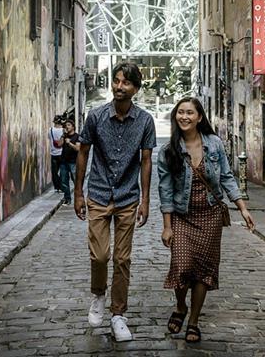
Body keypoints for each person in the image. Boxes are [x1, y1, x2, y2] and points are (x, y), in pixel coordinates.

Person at [157, 97, 255, 343]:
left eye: (190, 112)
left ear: (199, 117)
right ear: (175, 116)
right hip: (182, 216)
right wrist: (167, 226)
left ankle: (194, 320)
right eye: (180, 112)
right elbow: (165, 190)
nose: (184, 117)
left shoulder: (214, 144)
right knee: (181, 267)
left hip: (210, 216)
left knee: (203, 272)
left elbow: (227, 177)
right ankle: (181, 307)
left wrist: (242, 208)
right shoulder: (169, 151)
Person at [74, 62, 156, 342]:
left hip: (127, 197)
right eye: (116, 81)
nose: (119, 87)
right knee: (99, 255)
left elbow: (146, 161)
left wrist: (145, 200)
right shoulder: (96, 117)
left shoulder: (145, 121)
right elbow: (83, 153)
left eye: (126, 83)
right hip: (97, 193)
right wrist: (77, 193)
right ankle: (98, 295)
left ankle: (118, 314)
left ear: (136, 88)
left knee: (122, 259)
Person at [59, 119, 80, 205]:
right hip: (64, 162)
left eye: (68, 125)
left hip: (73, 162)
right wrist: (62, 137)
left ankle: (78, 198)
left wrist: (70, 143)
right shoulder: (64, 136)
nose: (67, 127)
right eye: (66, 126)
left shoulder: (77, 136)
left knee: (75, 181)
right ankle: (67, 198)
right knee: (64, 181)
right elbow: (59, 145)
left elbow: (78, 148)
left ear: (73, 126)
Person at [49, 116, 65, 193]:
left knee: (54, 172)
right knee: (63, 172)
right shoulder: (63, 131)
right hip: (62, 154)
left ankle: (57, 187)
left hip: (53, 153)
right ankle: (62, 187)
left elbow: (49, 138)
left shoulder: (50, 130)